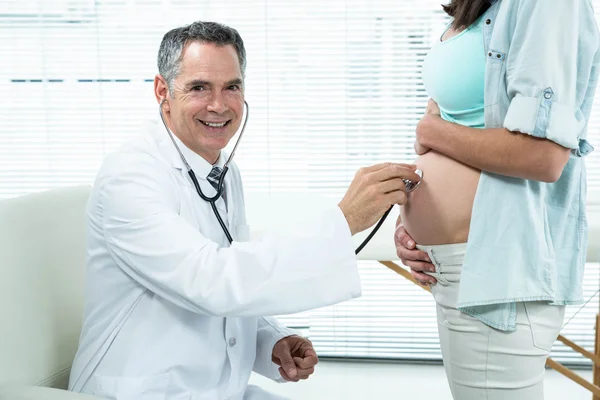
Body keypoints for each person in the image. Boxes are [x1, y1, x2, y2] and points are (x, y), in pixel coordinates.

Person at [67, 21, 420, 400]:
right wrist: (346, 219)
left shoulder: (221, 170)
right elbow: (211, 281)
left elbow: (237, 269)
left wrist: (271, 341)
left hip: (214, 387)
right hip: (145, 390)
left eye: (231, 87)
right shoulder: (129, 177)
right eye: (200, 87)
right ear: (162, 91)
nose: (218, 105)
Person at [394, 0, 600, 398]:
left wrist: (431, 133)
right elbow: (463, 125)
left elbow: (542, 156)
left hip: (499, 269)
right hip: (461, 269)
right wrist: (412, 221)